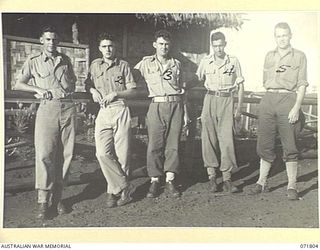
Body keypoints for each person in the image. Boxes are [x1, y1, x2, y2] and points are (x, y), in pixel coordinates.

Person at [15, 25, 77, 219]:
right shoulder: (34, 61)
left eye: (55, 39)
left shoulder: (65, 60)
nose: (52, 43)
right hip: (47, 108)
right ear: (41, 40)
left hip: (67, 108)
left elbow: (73, 82)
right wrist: (38, 90)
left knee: (66, 154)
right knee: (44, 154)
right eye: (48, 39)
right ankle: (43, 201)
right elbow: (19, 84)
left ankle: (58, 198)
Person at [251, 22, 308, 200]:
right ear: (274, 37)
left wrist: (296, 107)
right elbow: (265, 80)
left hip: (288, 99)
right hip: (269, 99)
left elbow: (301, 84)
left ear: (290, 35)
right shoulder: (269, 55)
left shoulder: (299, 56)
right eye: (278, 35)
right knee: (264, 142)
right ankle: (261, 182)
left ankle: (291, 185)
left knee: (290, 143)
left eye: (284, 35)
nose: (281, 39)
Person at [85, 32, 137, 207]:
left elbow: (132, 90)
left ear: (115, 48)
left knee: (122, 155)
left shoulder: (123, 65)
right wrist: (92, 91)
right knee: (102, 153)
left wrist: (116, 93)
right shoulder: (94, 66)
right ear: (100, 49)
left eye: (111, 46)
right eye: (104, 46)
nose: (108, 49)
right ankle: (124, 186)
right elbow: (88, 83)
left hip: (120, 109)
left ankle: (113, 192)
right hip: (103, 112)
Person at [134, 30, 186, 198]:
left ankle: (170, 179)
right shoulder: (145, 63)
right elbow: (129, 77)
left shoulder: (177, 64)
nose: (164, 47)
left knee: (173, 144)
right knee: (154, 145)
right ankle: (155, 179)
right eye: (161, 44)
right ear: (155, 45)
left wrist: (185, 111)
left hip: (176, 104)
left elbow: (183, 87)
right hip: (156, 105)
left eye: (167, 44)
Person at [196, 31, 244, 193]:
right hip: (209, 100)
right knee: (208, 138)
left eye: (221, 45)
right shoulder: (205, 62)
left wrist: (239, 108)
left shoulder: (233, 62)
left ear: (225, 44)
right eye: (215, 46)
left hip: (226, 100)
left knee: (226, 139)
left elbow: (240, 85)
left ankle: (227, 179)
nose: (218, 49)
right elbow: (197, 80)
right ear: (212, 46)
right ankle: (211, 177)